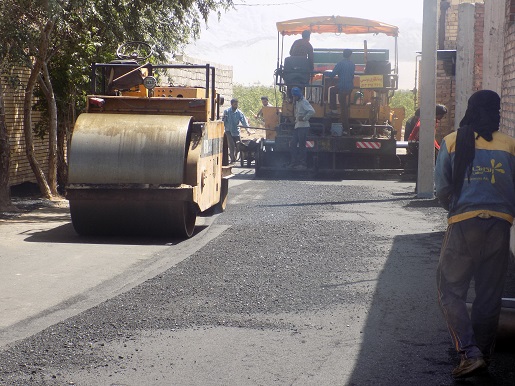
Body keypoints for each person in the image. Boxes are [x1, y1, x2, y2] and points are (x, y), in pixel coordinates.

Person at [435, 90, 515, 379]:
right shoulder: (510, 145)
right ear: (497, 112)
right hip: (500, 226)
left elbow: (441, 189)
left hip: (463, 225)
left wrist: (455, 210)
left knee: (450, 291)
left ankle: (470, 353)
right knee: (489, 295)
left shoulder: (453, 141)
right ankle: (483, 355)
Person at [326, 49, 355, 130]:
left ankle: (334, 110)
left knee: (332, 91)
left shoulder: (340, 63)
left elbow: (332, 75)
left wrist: (324, 72)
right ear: (350, 55)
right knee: (343, 105)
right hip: (350, 87)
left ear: (343, 55)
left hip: (342, 87)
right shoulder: (352, 64)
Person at [289, 87, 315, 169]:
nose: (294, 97)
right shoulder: (297, 102)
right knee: (293, 144)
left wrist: (304, 118)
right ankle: (294, 162)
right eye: (293, 96)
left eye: (295, 96)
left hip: (303, 127)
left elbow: (312, 111)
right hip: (298, 126)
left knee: (302, 145)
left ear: (298, 95)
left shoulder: (304, 102)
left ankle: (302, 164)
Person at [222, 98, 251, 164]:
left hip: (236, 132)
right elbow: (223, 121)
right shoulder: (227, 111)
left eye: (237, 104)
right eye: (235, 104)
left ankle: (234, 155)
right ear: (231, 104)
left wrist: (247, 130)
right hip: (228, 131)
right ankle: (233, 159)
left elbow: (244, 122)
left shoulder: (239, 113)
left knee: (239, 146)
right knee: (231, 145)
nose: (236, 105)